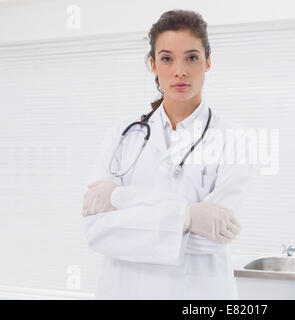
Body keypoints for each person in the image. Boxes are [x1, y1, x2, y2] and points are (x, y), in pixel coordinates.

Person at [81, 9, 254, 299]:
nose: (180, 71)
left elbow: (214, 237)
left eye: (191, 57)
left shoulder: (233, 139)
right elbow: (97, 231)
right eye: (166, 58)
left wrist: (119, 202)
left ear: (208, 62)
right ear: (152, 64)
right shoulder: (122, 136)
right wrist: (187, 217)